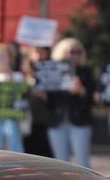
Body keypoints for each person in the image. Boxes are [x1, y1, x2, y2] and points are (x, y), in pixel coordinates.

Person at [44, 38, 95, 167]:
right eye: (73, 51)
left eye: (79, 52)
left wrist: (82, 91)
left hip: (80, 121)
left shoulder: (86, 71)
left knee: (82, 163)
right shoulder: (51, 71)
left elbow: (92, 99)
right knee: (60, 164)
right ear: (62, 52)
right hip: (57, 121)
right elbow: (49, 101)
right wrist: (43, 95)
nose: (76, 55)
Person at [23, 45, 54, 158]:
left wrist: (47, 97)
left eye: (42, 52)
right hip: (28, 126)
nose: (39, 55)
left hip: (45, 125)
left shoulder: (53, 74)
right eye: (36, 52)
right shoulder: (24, 76)